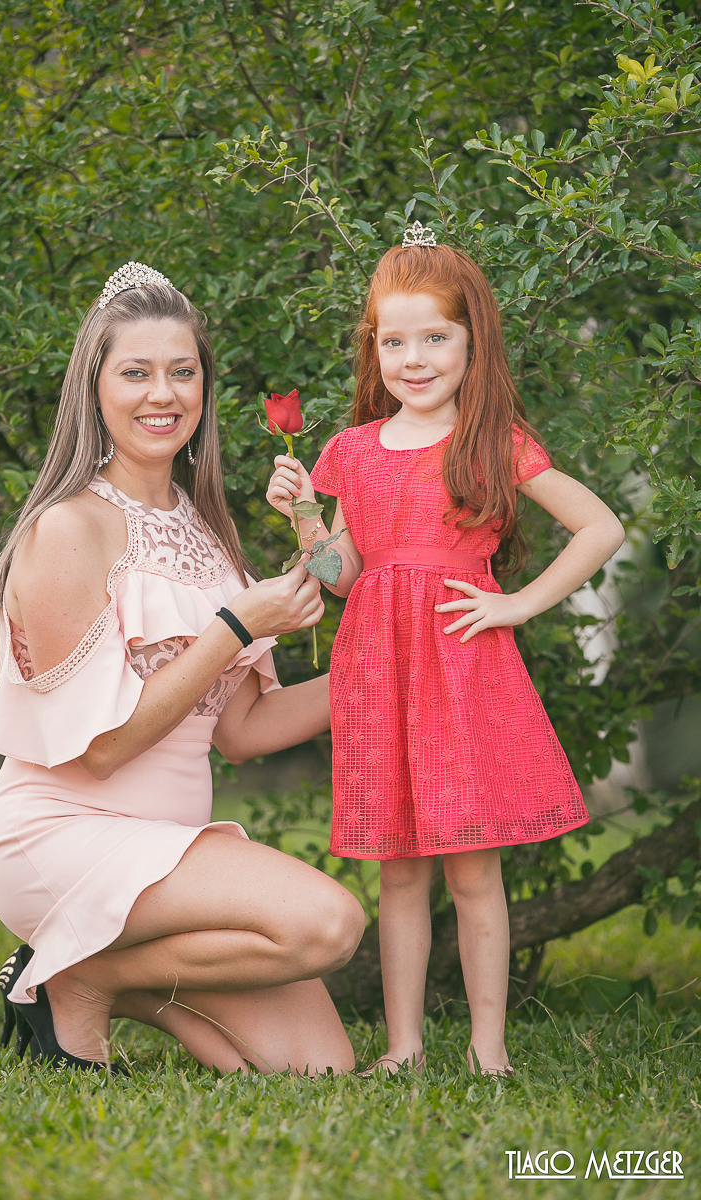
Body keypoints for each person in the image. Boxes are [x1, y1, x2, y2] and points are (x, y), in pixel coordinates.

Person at [0, 261, 365, 1076]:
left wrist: (381, 675)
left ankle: (94, 975)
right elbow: (102, 750)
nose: (164, 393)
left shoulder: (207, 529)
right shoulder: (67, 529)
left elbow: (243, 732)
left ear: (203, 387)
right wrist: (234, 627)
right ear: (94, 390)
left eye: (182, 372)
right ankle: (76, 976)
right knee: (325, 925)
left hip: (170, 850)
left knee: (318, 1069)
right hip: (63, 838)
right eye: (137, 372)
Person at [266, 225, 625, 1077]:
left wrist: (515, 605)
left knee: (471, 872)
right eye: (395, 341)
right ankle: (404, 1047)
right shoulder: (351, 451)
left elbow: (601, 526)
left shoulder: (491, 442)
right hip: (381, 671)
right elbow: (344, 575)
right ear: (375, 348)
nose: (414, 358)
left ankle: (488, 1050)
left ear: (473, 343)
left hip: (463, 670)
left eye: (436, 338)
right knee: (399, 874)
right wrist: (304, 520)